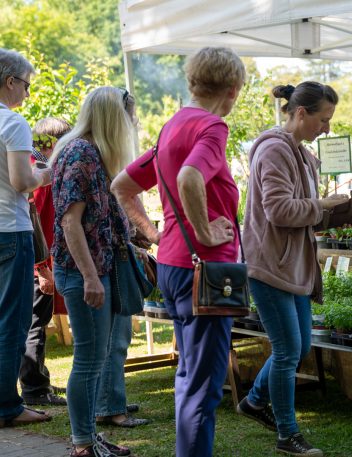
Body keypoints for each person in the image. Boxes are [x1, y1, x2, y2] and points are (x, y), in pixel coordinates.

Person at [111, 46, 245, 457]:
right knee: (203, 386)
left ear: (192, 82)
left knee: (190, 377)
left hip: (173, 265)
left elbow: (123, 185)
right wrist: (204, 231)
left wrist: (155, 234)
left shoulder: (172, 126)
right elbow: (190, 177)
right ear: (233, 89)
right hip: (206, 270)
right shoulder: (212, 127)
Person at [236, 82, 347, 457]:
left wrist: (334, 213)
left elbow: (301, 211)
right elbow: (279, 211)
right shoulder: (273, 151)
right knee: (286, 351)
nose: (327, 128)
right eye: (323, 119)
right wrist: (322, 205)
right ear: (301, 113)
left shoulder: (299, 153)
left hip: (291, 263)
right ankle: (287, 434)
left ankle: (253, 401)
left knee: (297, 347)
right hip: (270, 264)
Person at [50, 86, 134, 457]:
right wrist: (88, 276)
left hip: (94, 269)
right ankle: (83, 443)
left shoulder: (89, 150)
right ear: (113, 117)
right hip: (83, 272)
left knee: (94, 358)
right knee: (88, 359)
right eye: (128, 115)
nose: (132, 123)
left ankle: (89, 439)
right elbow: (71, 223)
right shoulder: (82, 153)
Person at [0, 48, 53, 428]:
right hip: (10, 231)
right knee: (12, 322)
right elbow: (22, 182)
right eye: (26, 84)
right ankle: (7, 408)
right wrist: (48, 174)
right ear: (9, 81)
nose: (27, 94)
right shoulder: (12, 122)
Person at [95, 91, 150, 429]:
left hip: (112, 256)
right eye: (131, 115)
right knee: (115, 337)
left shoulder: (102, 155)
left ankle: (111, 400)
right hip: (108, 259)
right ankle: (110, 408)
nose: (135, 122)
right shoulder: (96, 157)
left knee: (117, 336)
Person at [20, 117, 71, 408]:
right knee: (35, 324)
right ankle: (35, 388)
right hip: (35, 260)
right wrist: (41, 267)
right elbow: (33, 218)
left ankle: (39, 378)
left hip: (36, 259)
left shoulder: (34, 164)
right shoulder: (38, 171)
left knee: (35, 322)